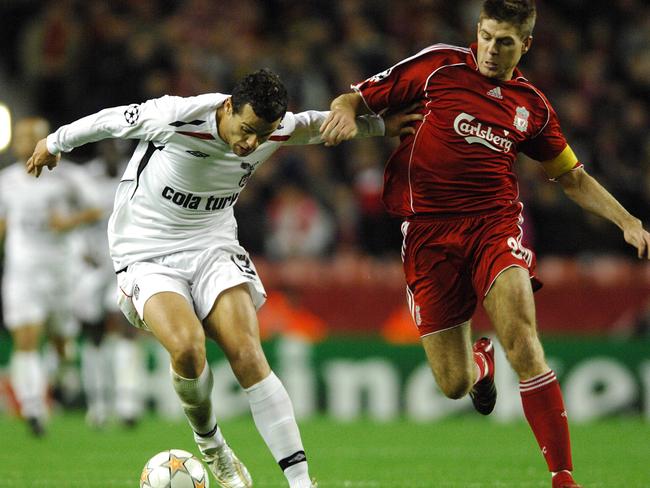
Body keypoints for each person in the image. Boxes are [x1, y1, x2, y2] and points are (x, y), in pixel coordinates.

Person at [26, 69, 419, 488]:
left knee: (248, 353)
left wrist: (381, 125)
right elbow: (109, 119)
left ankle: (302, 482)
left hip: (213, 246)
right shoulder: (175, 116)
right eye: (247, 129)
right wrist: (54, 143)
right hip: (145, 254)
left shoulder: (275, 129)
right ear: (228, 107)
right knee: (188, 349)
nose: (251, 143)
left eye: (262, 135)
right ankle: (212, 445)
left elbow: (317, 126)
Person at [319, 1, 650, 487]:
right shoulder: (437, 67)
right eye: (488, 36)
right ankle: (479, 362)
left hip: (492, 226)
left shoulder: (532, 106)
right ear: (478, 30)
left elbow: (571, 176)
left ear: (526, 45)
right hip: (427, 234)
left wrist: (627, 221)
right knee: (453, 385)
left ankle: (563, 477)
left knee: (523, 339)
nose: (493, 50)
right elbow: (356, 97)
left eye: (506, 42)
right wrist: (345, 114)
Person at [0, 116, 102, 436]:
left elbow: (97, 209)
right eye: (20, 138)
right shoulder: (6, 181)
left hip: (62, 270)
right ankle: (32, 408)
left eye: (32, 138)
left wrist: (69, 222)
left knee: (61, 341)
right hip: (23, 269)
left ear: (45, 140)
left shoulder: (69, 177)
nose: (24, 144)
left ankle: (62, 373)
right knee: (26, 337)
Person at [71, 140, 146, 429]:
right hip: (92, 265)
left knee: (128, 330)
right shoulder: (85, 178)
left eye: (115, 149)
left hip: (126, 264)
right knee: (94, 335)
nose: (111, 154)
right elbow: (72, 215)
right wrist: (78, 250)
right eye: (106, 149)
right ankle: (98, 405)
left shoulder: (138, 173)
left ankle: (128, 404)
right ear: (100, 152)